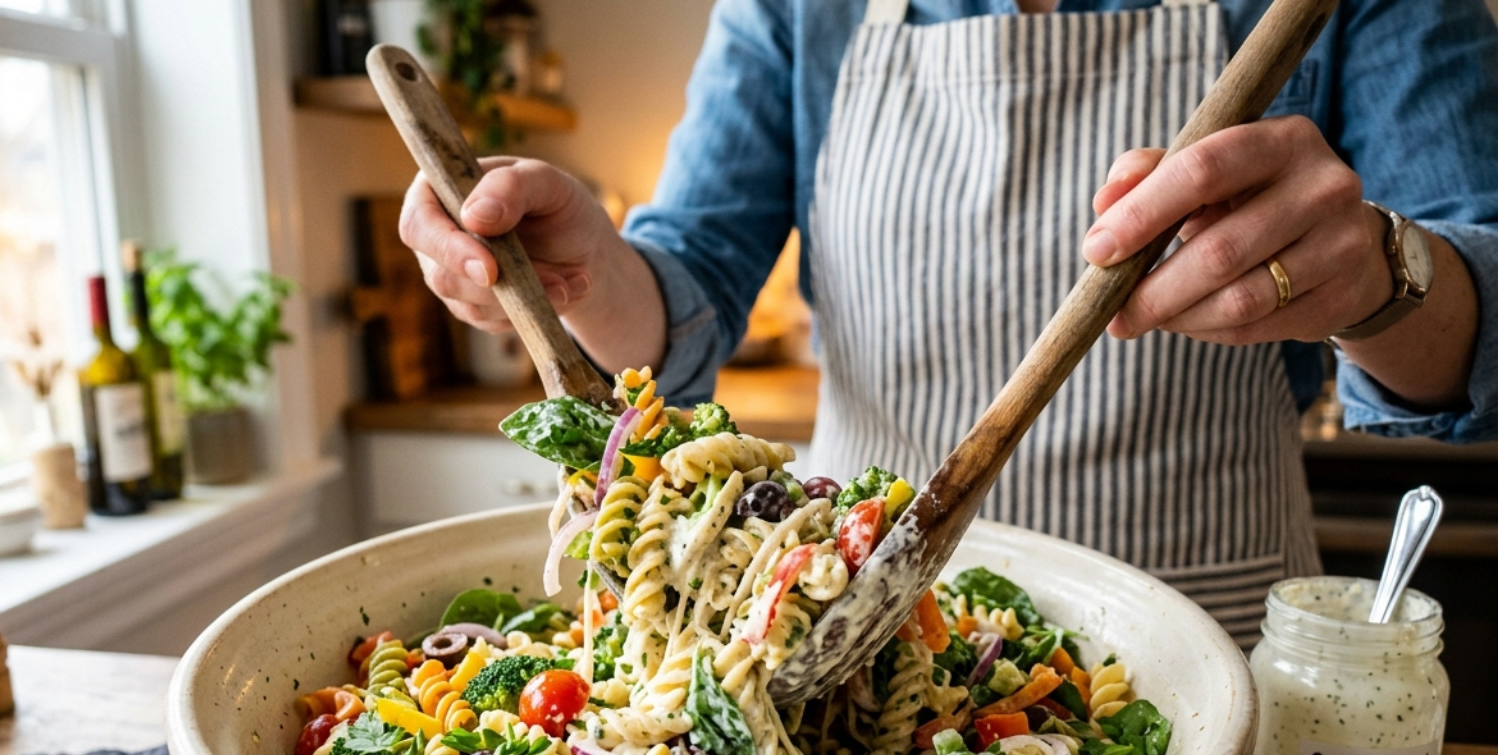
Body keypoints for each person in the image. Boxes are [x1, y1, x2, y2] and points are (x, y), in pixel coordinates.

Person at [401, 0, 1498, 645]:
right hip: (841, 616)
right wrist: (582, 272)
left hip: (1204, 638)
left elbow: (1479, 316)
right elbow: (683, 302)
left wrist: (1382, 273)